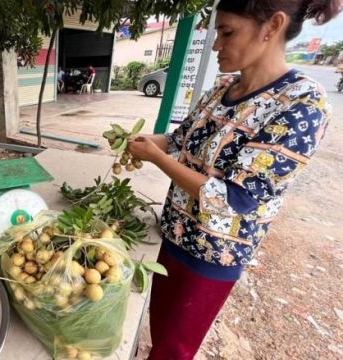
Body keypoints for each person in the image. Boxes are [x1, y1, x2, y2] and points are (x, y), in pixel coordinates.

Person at [126, 1, 342, 358]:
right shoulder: (222, 88)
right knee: (158, 330)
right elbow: (179, 142)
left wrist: (157, 158)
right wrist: (136, 141)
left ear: (271, 26)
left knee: (174, 349)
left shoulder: (303, 103)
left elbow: (235, 199)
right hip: (173, 236)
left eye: (227, 32)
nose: (216, 45)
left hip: (211, 257)